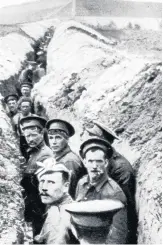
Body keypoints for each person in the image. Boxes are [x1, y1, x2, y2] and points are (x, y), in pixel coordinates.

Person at [85, 121, 137, 243]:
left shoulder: (121, 169)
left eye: (92, 137)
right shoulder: (96, 160)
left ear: (103, 142)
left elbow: (123, 208)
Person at [76, 137, 128, 244]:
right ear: (85, 162)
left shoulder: (114, 193)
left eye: (99, 161)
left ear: (106, 163)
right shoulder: (81, 183)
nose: (94, 166)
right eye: (90, 161)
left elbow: (118, 235)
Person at [19, 116, 53, 237]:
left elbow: (46, 187)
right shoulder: (34, 151)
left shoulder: (45, 155)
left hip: (41, 207)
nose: (30, 139)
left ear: (41, 134)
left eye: (33, 135)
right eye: (27, 136)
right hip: (34, 204)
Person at [34, 160, 79, 244]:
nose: (44, 187)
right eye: (42, 181)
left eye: (51, 182)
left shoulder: (59, 215)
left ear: (65, 187)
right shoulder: (58, 204)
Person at [45, 119, 86, 198]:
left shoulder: (69, 161)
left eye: (58, 138)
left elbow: (68, 193)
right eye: (50, 138)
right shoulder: (58, 156)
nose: (53, 142)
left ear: (67, 139)